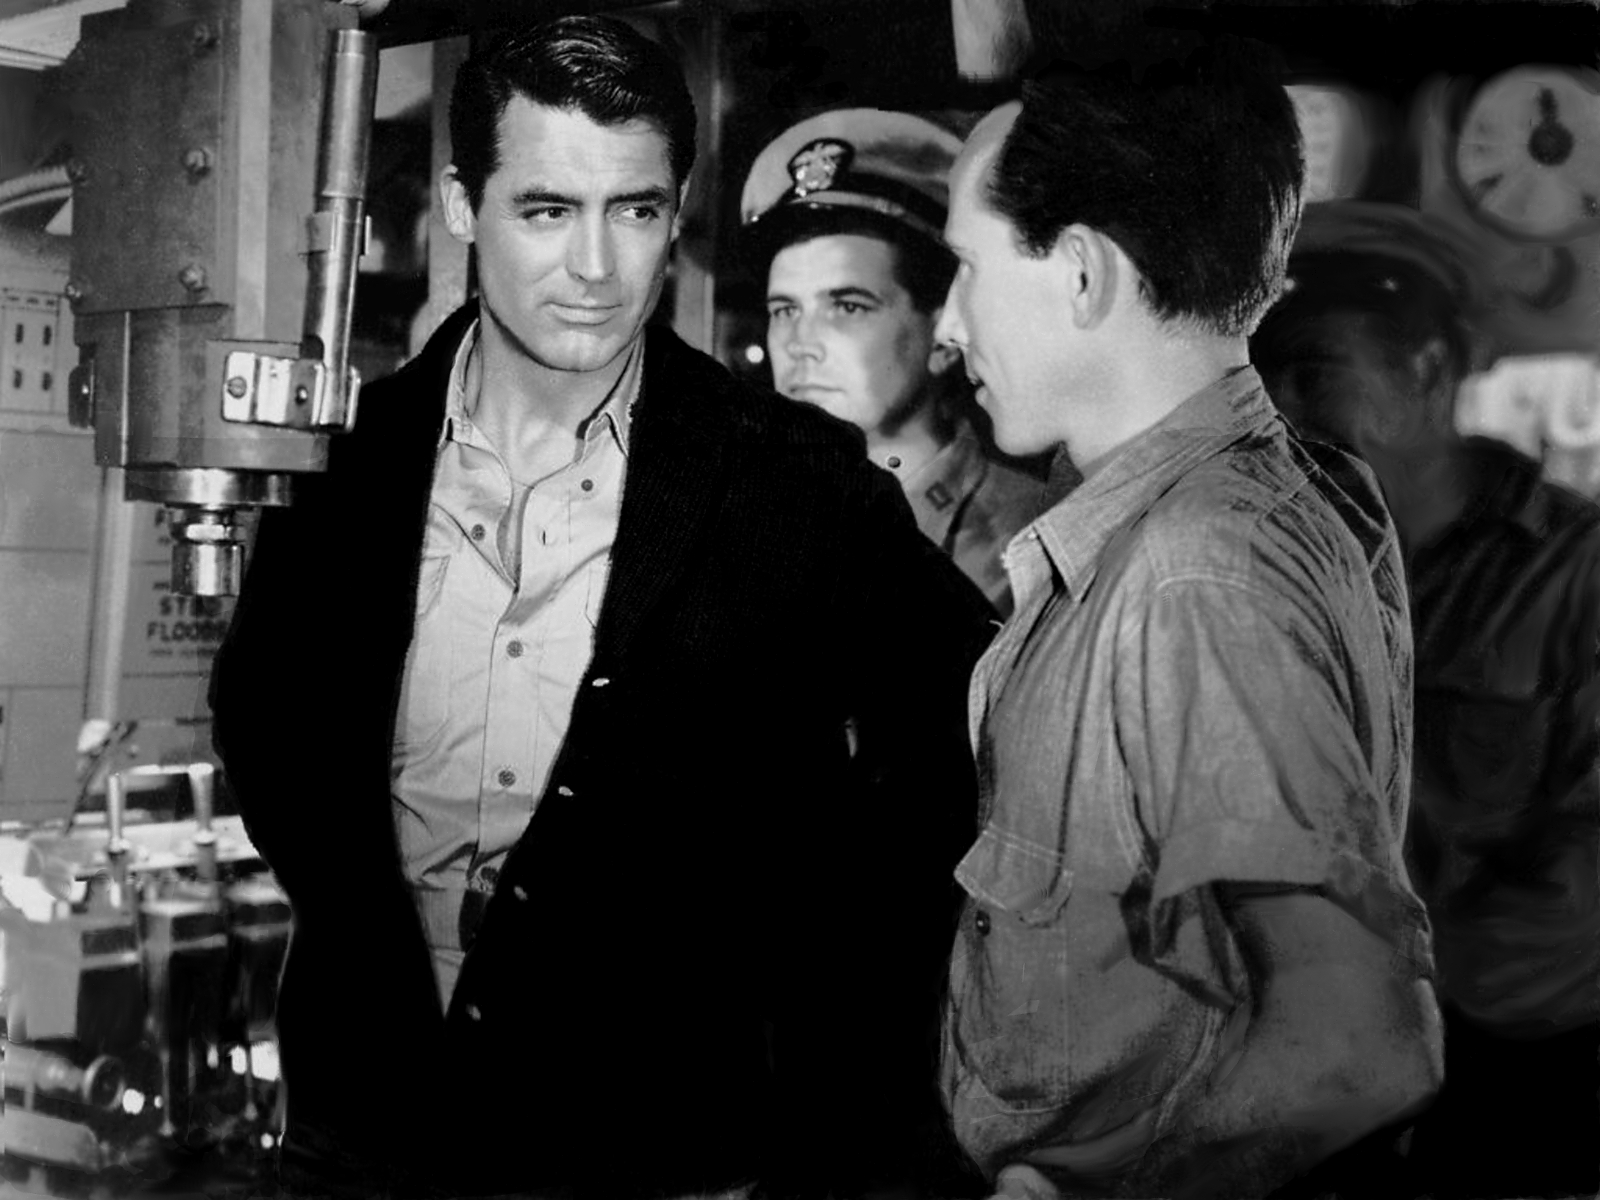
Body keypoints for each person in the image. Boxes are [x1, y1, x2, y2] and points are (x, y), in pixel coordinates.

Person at [209, 16, 995, 1199]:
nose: (593, 266)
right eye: (546, 210)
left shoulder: (793, 484)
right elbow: (262, 724)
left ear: (674, 217)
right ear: (464, 206)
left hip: (661, 1154)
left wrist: (800, 994)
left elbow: (967, 740)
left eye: (633, 210)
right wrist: (372, 932)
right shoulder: (344, 465)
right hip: (361, 1140)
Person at [930, 42, 1445, 1200]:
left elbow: (1358, 1047)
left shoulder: (1192, 575)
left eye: (966, 266)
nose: (948, 326)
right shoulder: (1251, 506)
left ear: (1081, 275)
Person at [1251, 200, 1600, 1200]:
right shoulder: (1259, 565)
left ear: (1429, 368)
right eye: (1261, 380)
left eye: (1314, 370)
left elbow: (1583, 879)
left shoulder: (1573, 572)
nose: (1279, 411)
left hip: (1515, 1076)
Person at [741, 109, 1047, 616]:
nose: (800, 344)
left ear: (943, 338)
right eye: (784, 310)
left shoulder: (1030, 543)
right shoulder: (751, 522)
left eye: (848, 307)